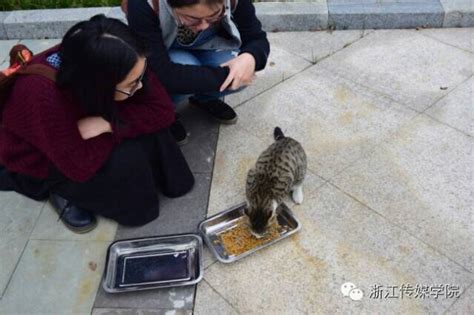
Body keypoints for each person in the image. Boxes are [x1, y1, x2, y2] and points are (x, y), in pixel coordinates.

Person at [0, 15, 194, 233]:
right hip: (46, 155)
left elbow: (162, 110)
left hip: (93, 124)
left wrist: (109, 124)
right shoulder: (42, 96)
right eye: (132, 84)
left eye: (141, 76)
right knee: (127, 157)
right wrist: (124, 127)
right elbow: (79, 166)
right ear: (98, 86)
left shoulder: (125, 57)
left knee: (154, 132)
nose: (140, 86)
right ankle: (60, 191)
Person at [123, 0, 270, 144]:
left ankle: (203, 99)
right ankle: (165, 112)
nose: (204, 26)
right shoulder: (142, 4)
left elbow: (257, 38)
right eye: (192, 18)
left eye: (214, 15)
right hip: (166, 51)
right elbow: (163, 74)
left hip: (210, 44)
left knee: (239, 69)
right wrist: (227, 74)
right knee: (187, 74)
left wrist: (251, 57)